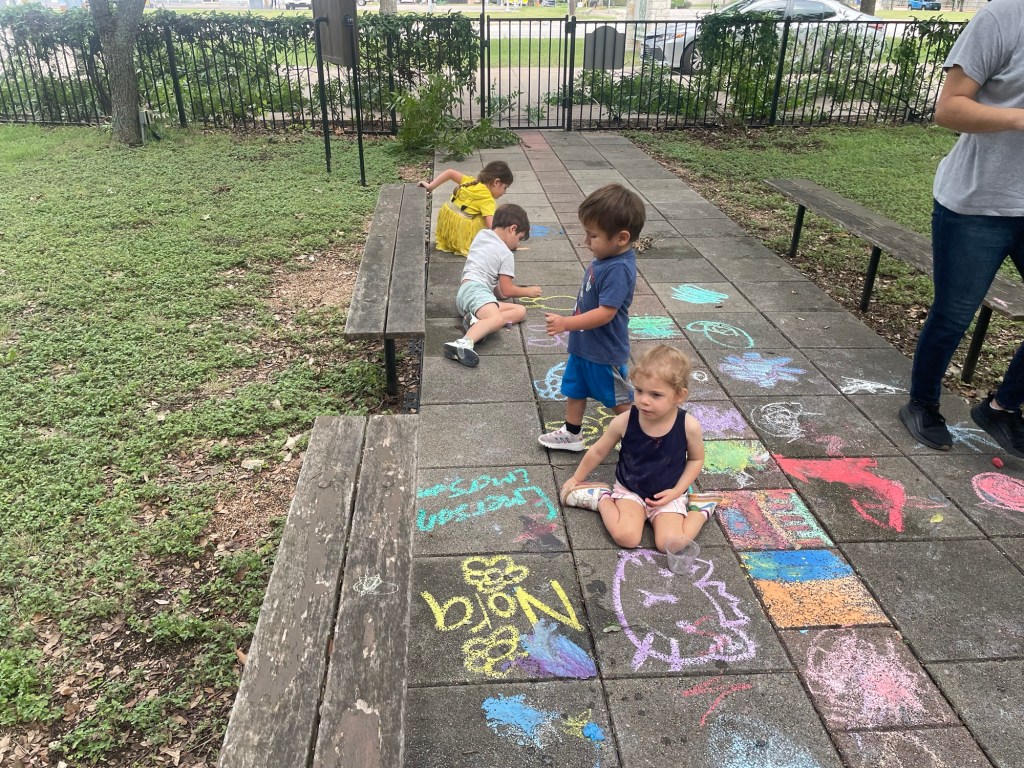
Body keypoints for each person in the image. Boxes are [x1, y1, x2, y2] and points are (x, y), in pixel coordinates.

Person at [898, 0, 1024, 460]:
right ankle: (922, 404)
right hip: (977, 202)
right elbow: (949, 109)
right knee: (954, 313)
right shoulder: (1003, 19)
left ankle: (1002, 408)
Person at [559, 346, 719, 553]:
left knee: (671, 545)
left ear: (679, 395)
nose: (644, 400)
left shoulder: (688, 426)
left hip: (669, 492)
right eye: (639, 390)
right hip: (630, 490)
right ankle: (601, 499)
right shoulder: (625, 420)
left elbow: (696, 459)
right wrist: (576, 478)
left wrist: (677, 491)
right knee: (626, 537)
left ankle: (700, 509)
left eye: (656, 395)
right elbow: (598, 450)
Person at [537, 183, 646, 452]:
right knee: (575, 388)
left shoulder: (619, 269)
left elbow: (606, 313)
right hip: (585, 346)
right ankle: (572, 433)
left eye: (593, 235)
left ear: (621, 238)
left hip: (603, 351)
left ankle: (644, 439)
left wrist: (566, 324)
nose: (586, 241)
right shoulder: (606, 259)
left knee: (617, 400)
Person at [443, 204, 541, 367]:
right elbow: (507, 290)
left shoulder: (481, 235)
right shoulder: (506, 254)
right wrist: (528, 291)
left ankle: (476, 322)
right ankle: (464, 343)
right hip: (477, 292)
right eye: (519, 238)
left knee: (520, 311)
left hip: (466, 293)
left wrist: (499, 294)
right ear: (512, 228)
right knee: (496, 319)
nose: (517, 244)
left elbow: (499, 291)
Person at [418, 161, 514, 257]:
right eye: (505, 188)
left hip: (446, 232)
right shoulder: (487, 200)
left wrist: (430, 187)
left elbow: (450, 172)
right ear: (496, 182)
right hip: (460, 238)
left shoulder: (470, 182)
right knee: (489, 216)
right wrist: (506, 242)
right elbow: (492, 228)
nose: (504, 192)